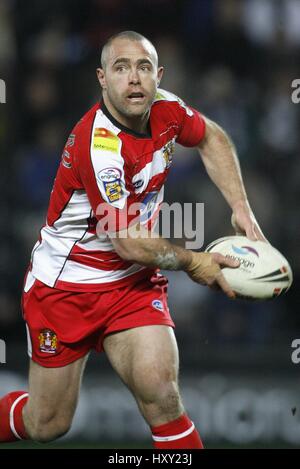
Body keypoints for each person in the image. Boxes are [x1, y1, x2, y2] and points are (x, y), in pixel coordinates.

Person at [0, 31, 265, 449]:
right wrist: (196, 262)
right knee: (47, 423)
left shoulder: (167, 109)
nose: (134, 79)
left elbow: (211, 136)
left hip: (132, 285)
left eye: (143, 67)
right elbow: (127, 241)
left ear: (158, 75)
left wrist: (240, 205)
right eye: (121, 68)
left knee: (162, 395)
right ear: (102, 79)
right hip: (66, 288)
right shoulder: (98, 145)